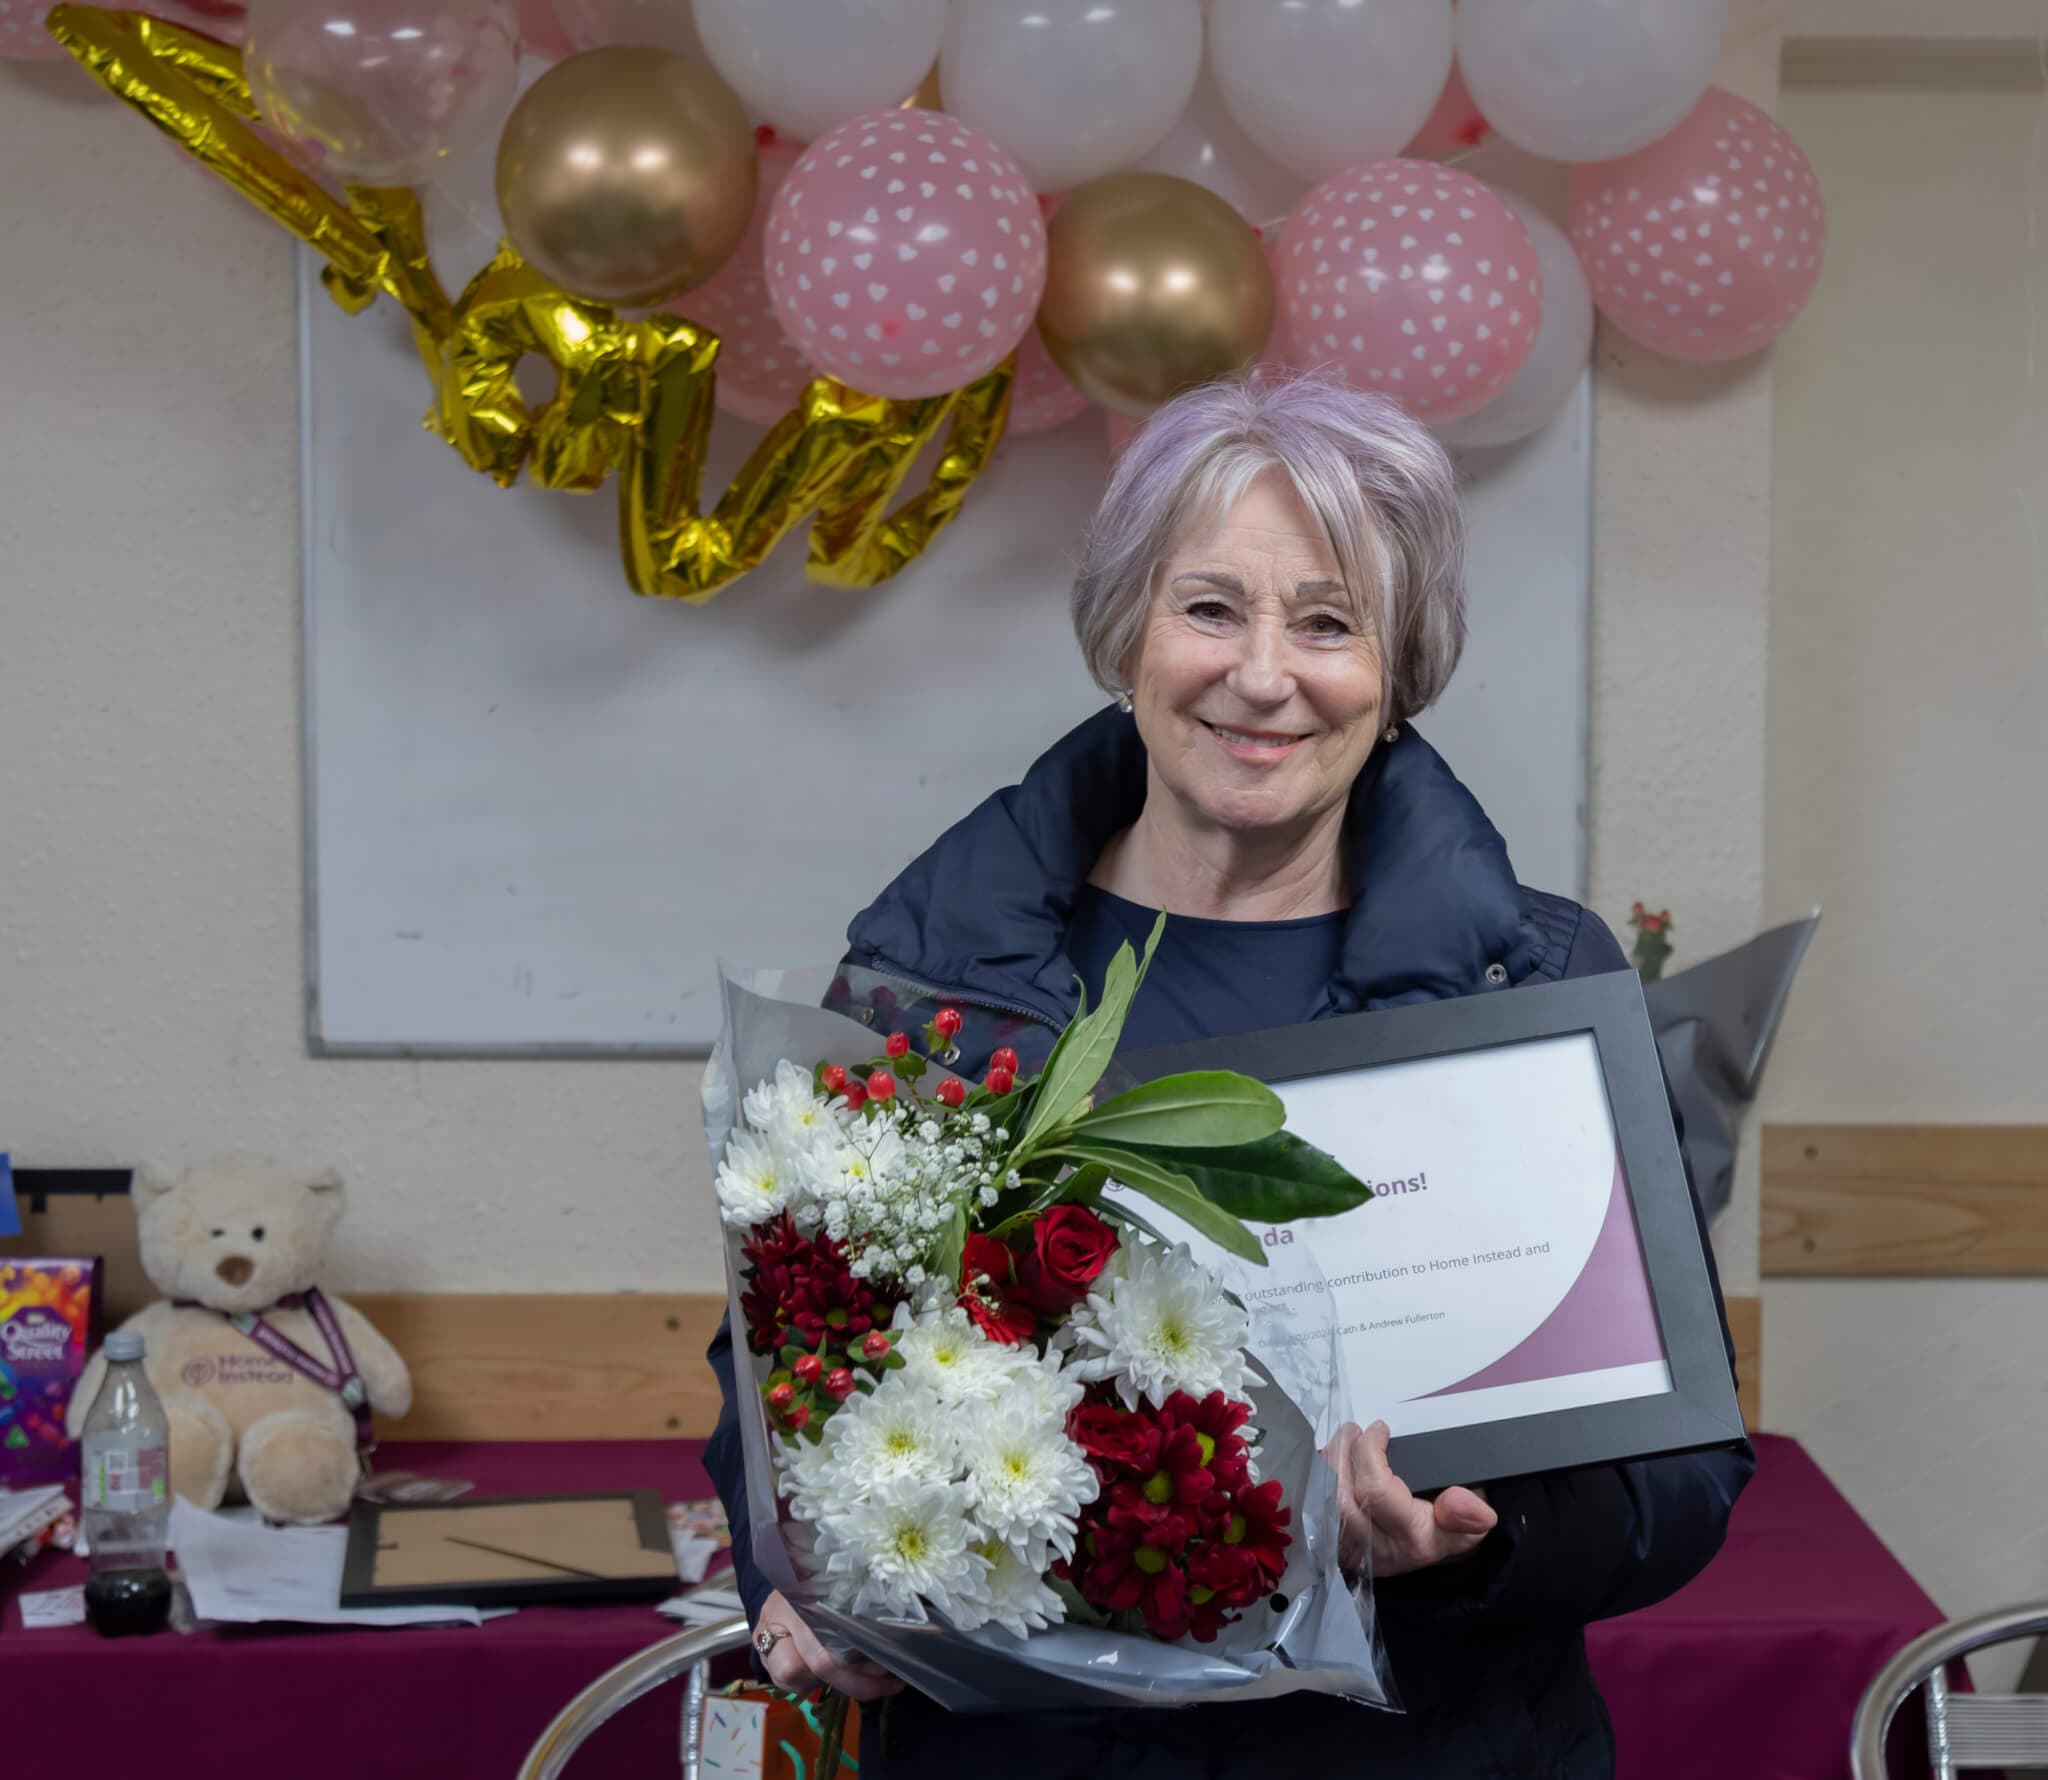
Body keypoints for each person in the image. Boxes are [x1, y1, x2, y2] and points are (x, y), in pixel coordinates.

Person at [704, 370, 1755, 1778]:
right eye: (1210, 607)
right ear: (1125, 630)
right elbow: (778, 1373)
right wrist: (802, 1578)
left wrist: (1471, 1542)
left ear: (1400, 669)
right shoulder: (931, 978)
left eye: (1328, 623)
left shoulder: (1539, 986)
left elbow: (1680, 1475)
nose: (1264, 675)